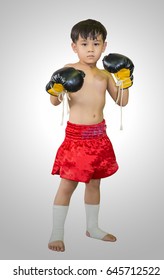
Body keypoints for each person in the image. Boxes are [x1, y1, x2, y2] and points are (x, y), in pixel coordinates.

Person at [46, 19, 134, 252]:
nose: (91, 48)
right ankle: (57, 233)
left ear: (105, 46)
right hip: (76, 139)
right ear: (74, 46)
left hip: (99, 137)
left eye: (96, 43)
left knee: (95, 183)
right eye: (84, 43)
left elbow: (121, 101)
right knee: (68, 184)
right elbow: (55, 102)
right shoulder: (69, 69)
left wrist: (125, 79)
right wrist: (56, 88)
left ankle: (92, 228)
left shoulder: (106, 75)